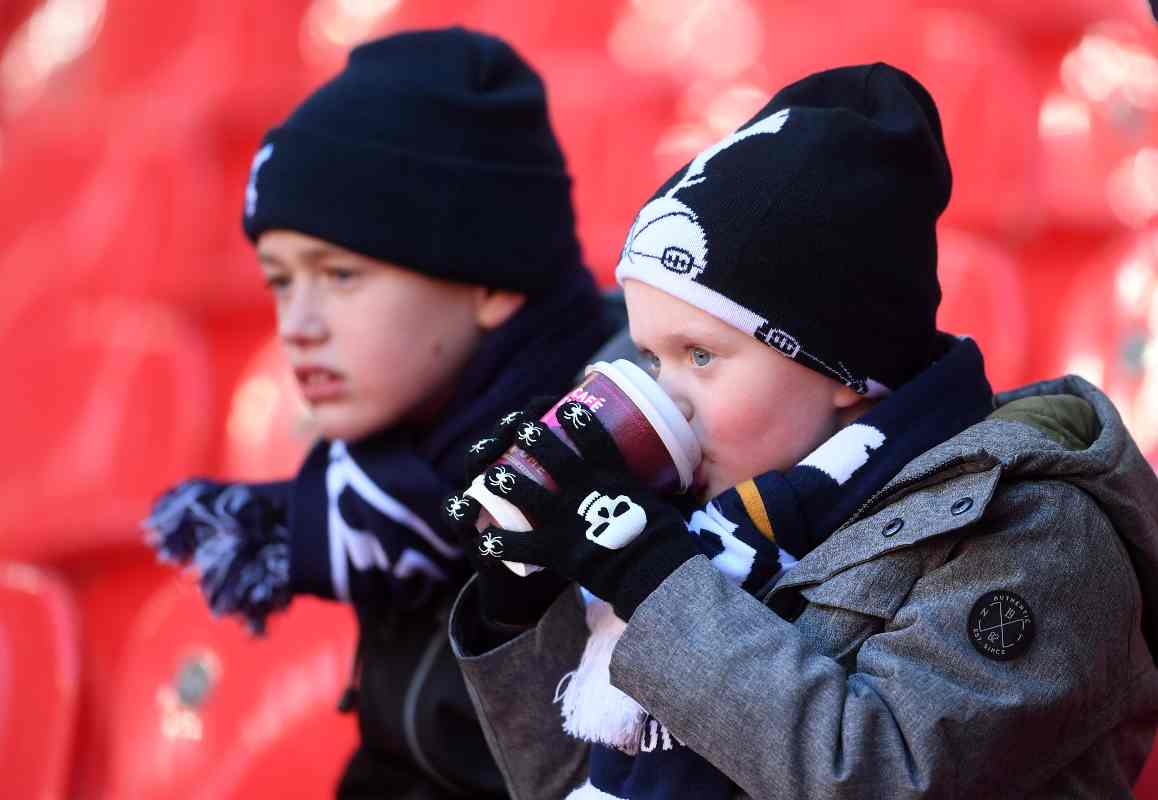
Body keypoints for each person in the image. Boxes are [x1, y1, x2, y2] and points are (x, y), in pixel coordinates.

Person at [444, 63, 1158, 799]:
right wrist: (520, 608)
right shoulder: (722, 522)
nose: (669, 397)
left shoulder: (1036, 527)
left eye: (701, 355)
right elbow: (578, 786)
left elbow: (883, 776)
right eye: (651, 356)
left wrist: (649, 579)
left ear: (844, 367)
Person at [143, 27, 616, 799]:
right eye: (279, 280)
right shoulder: (395, 471)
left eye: (339, 274)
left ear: (491, 280)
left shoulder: (616, 473)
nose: (297, 325)